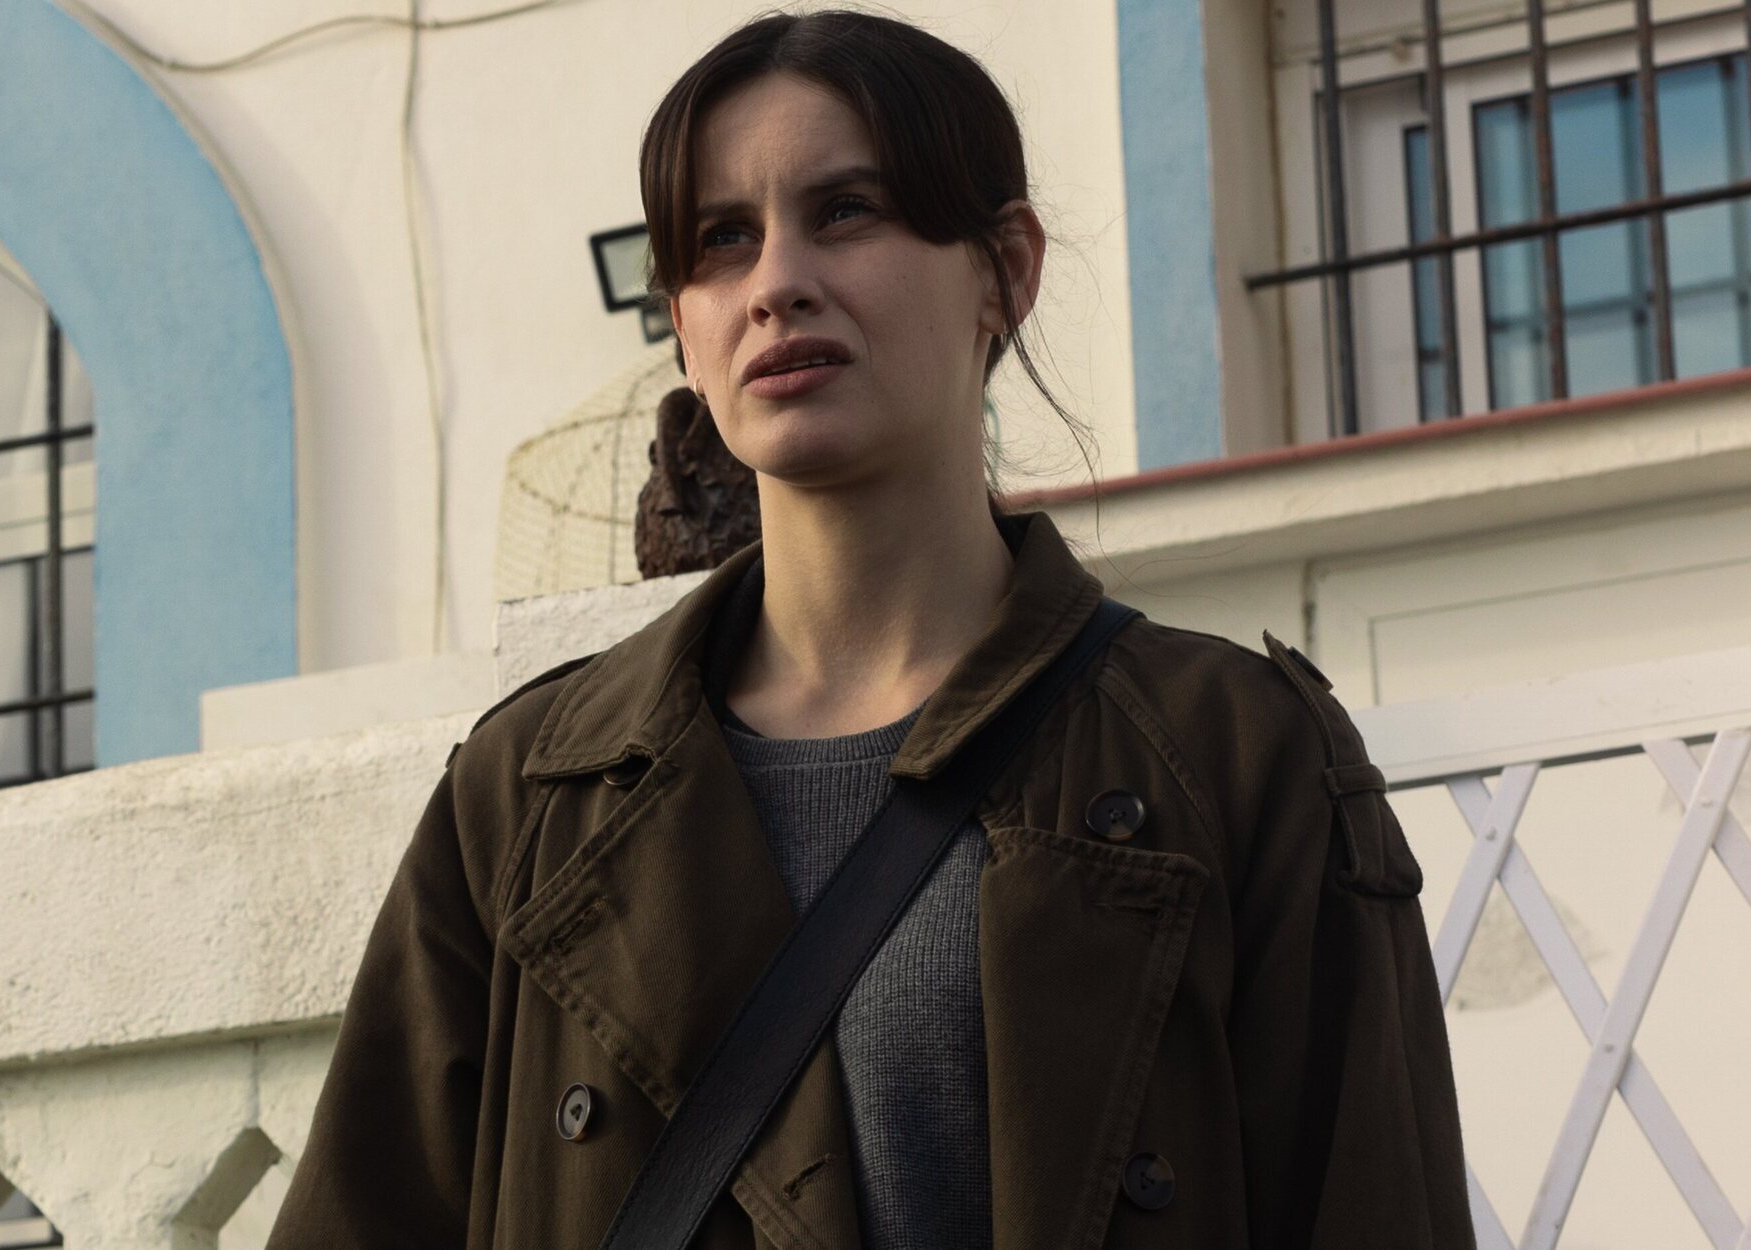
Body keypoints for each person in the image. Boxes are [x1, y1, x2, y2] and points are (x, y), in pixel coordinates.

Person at [265, 9, 1475, 1249]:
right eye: (720, 240)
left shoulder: (1232, 754)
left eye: (844, 211)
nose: (775, 284)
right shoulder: (526, 793)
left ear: (1003, 270)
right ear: (683, 326)